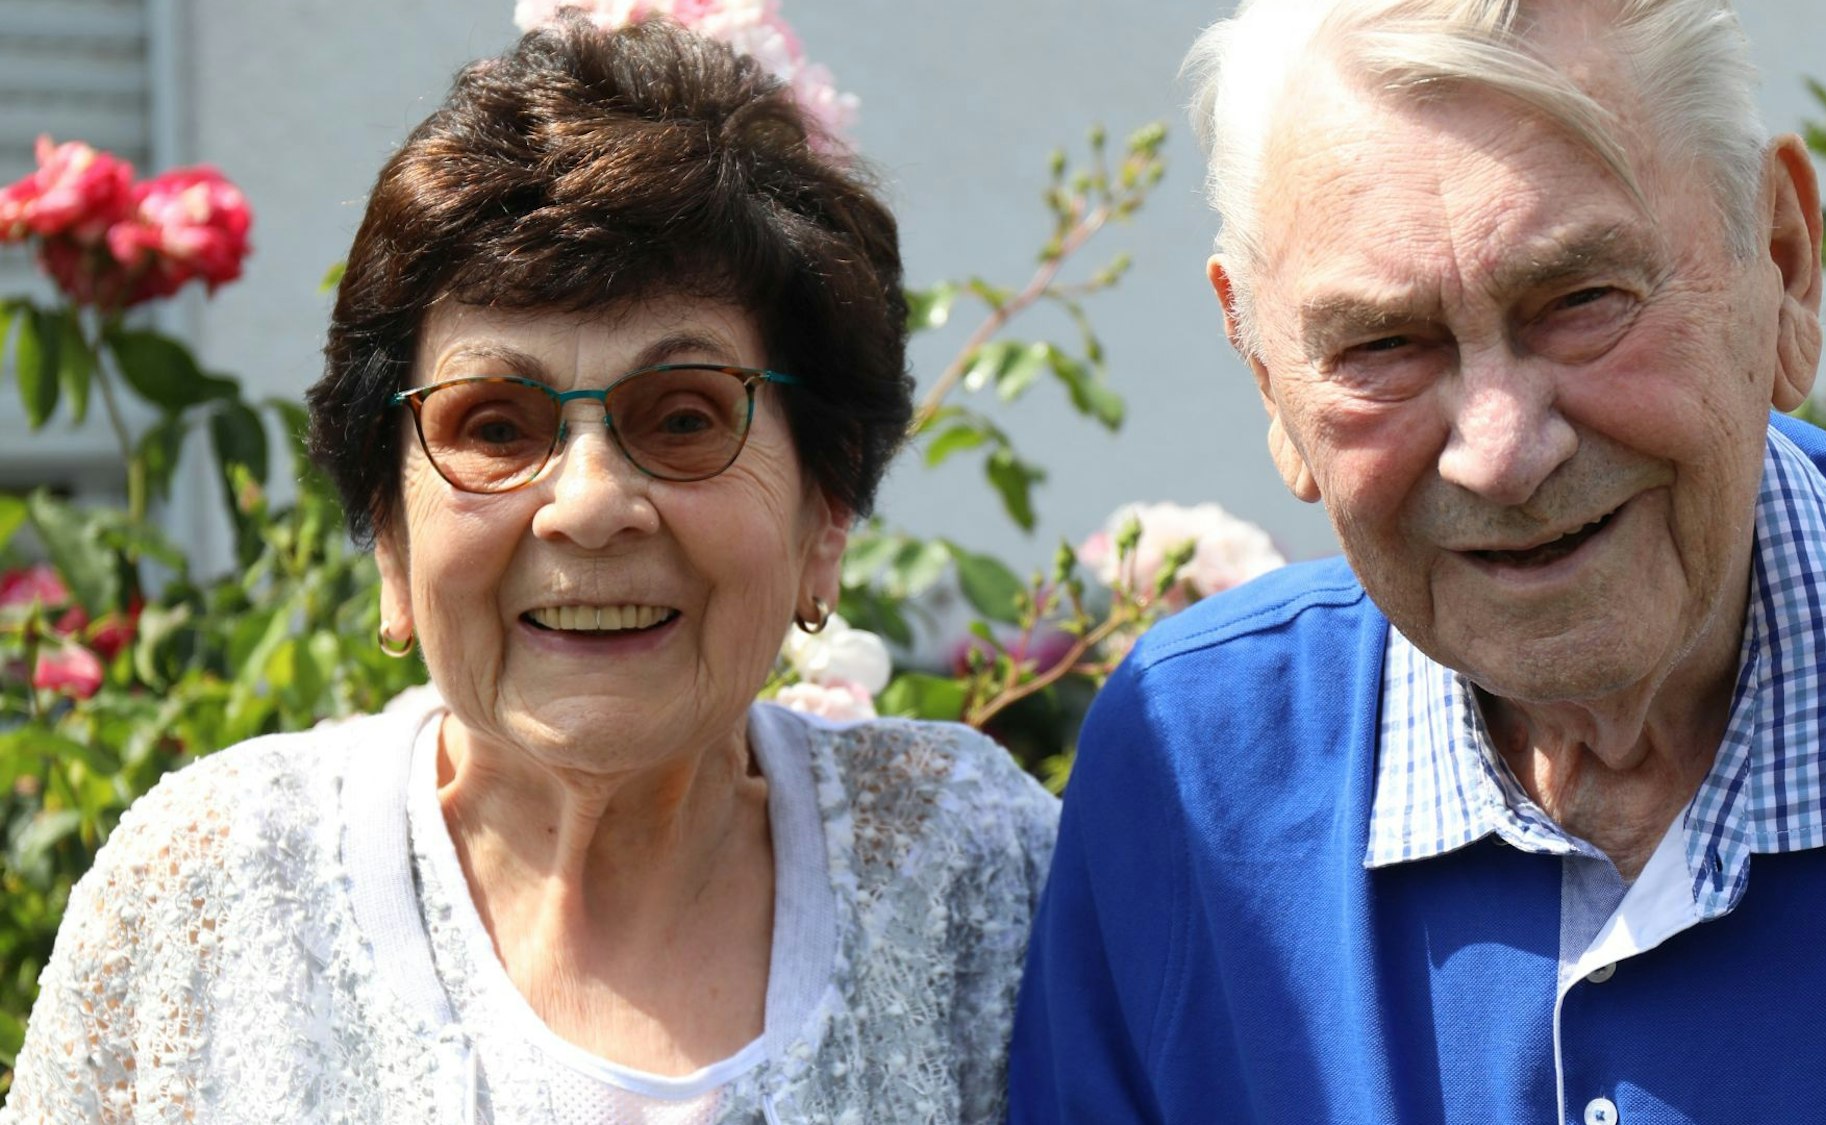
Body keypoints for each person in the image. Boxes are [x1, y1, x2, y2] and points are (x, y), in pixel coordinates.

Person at [4, 15, 1056, 1124]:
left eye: (686, 415)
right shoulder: (210, 891)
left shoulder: (968, 870)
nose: (589, 506)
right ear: (389, 534)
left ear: (825, 509)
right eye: (495, 427)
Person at [1010, 0, 1826, 1120]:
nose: (1501, 453)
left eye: (1581, 302)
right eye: (1382, 345)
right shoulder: (1192, 767)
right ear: (1262, 370)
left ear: (1780, 260)